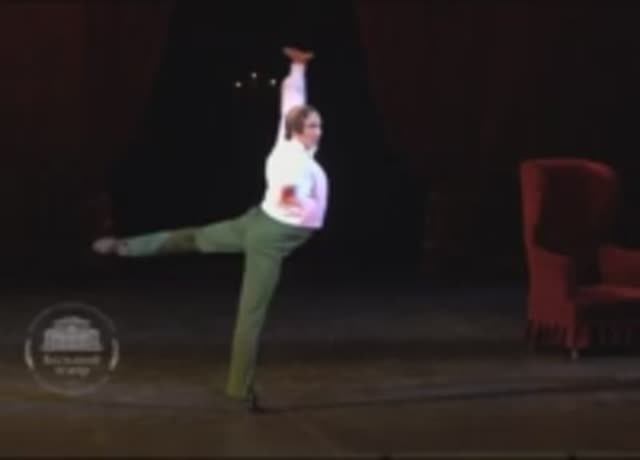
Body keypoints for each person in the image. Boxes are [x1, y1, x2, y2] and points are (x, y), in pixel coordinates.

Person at [92, 46, 329, 412]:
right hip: (271, 237)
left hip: (255, 221)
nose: (319, 131)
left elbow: (293, 99)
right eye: (313, 126)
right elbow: (292, 193)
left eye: (319, 125)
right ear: (299, 131)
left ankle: (125, 247)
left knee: (195, 238)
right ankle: (239, 389)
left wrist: (297, 67)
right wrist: (297, 200)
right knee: (251, 314)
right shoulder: (295, 163)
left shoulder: (288, 139)